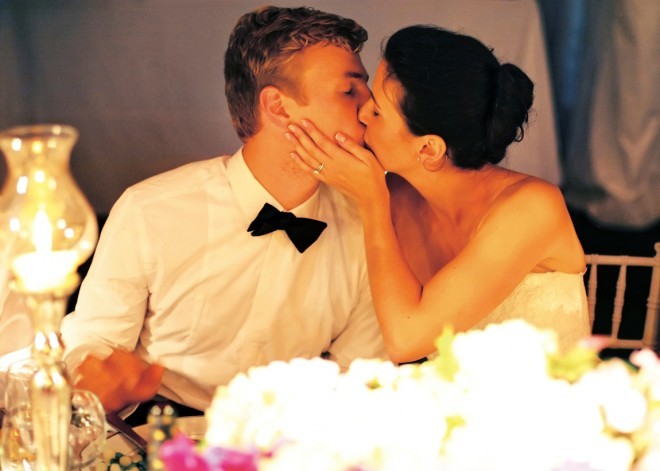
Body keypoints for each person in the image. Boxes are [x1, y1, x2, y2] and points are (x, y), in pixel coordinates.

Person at [60, 6, 386, 417]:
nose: (371, 108)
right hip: (155, 433)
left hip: (289, 439)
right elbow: (94, 339)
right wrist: (96, 381)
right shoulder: (150, 211)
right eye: (350, 90)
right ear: (279, 107)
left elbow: (356, 375)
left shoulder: (368, 228)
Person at [287, 25, 591, 362]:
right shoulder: (399, 197)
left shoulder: (533, 208)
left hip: (553, 406)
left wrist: (373, 203)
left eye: (376, 111)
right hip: (446, 406)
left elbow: (406, 340)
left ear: (429, 149)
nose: (361, 113)